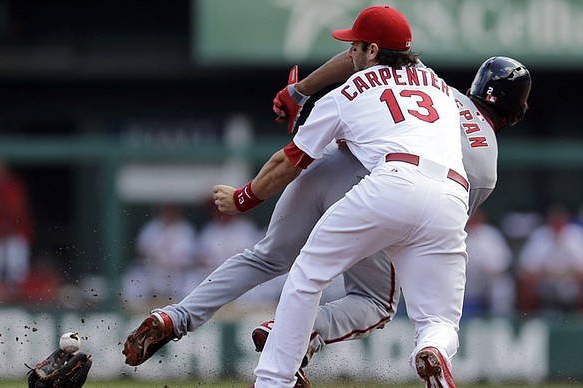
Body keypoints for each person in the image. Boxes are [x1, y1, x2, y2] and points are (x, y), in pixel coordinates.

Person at [122, 9, 531, 388]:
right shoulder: (473, 142)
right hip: (398, 185)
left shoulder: (433, 81)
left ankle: (177, 316)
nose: (355, 50)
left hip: (329, 166)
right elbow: (427, 231)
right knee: (376, 303)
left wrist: (299, 91)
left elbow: (353, 64)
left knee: (270, 257)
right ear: (518, 111)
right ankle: (303, 337)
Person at [227, 5, 471, 387]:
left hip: (395, 180)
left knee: (308, 274)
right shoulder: (437, 83)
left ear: (371, 51)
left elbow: (289, 163)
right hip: (452, 196)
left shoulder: (345, 94)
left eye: (355, 46)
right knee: (439, 322)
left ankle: (274, 380)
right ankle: (434, 351)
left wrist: (244, 198)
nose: (350, 53)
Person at [121, 203, 199, 312]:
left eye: (172, 210)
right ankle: (135, 315)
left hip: (177, 276)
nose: (169, 214)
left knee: (192, 282)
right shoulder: (152, 227)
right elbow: (139, 251)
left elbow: (191, 257)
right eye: (167, 210)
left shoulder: (185, 230)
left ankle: (185, 315)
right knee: (134, 279)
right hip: (153, 273)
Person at [517, 204, 583, 312]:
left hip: (570, 284)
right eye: (554, 222)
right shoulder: (539, 235)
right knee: (526, 288)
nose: (557, 226)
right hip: (545, 283)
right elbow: (526, 271)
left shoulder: (576, 235)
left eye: (560, 222)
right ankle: (530, 321)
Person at [0, 159, 34, 290]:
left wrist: (6, 227)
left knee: (16, 275)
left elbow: (16, 212)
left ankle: (18, 301)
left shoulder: (12, 186)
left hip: (15, 236)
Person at [462, 208, 515, 318]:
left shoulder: (491, 235)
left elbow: (502, 263)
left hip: (493, 284)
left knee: (500, 291)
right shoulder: (462, 235)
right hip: (471, 285)